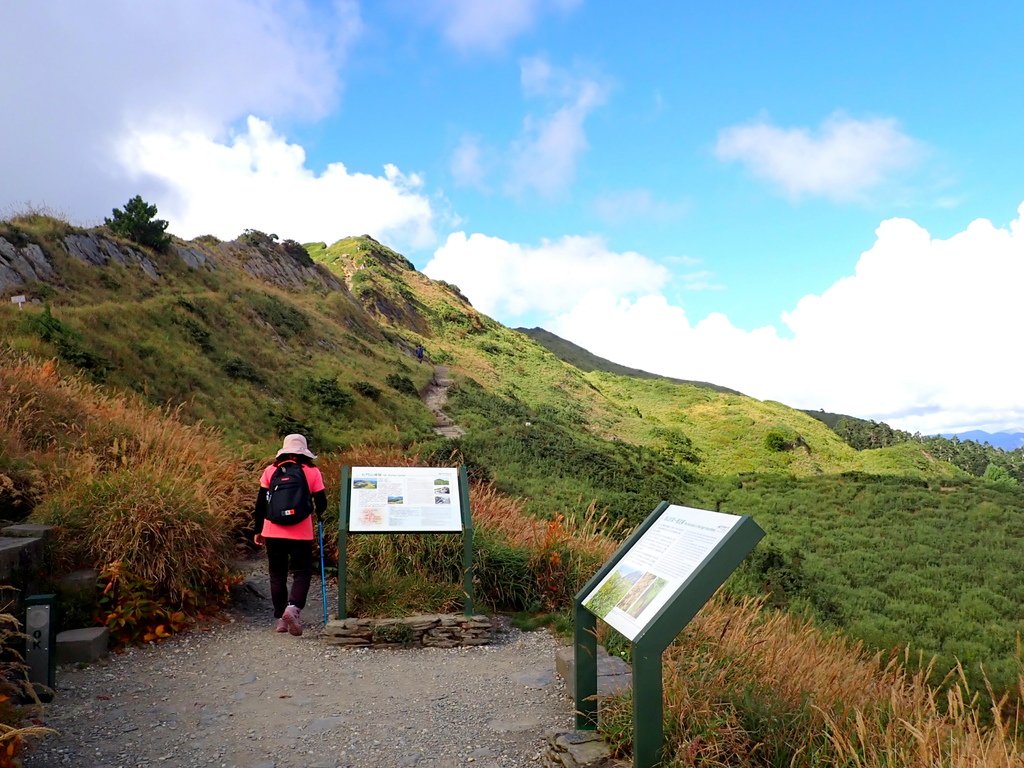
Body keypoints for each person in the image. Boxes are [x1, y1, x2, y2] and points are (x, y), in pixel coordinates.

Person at [253, 434, 328, 636]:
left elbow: (261, 504)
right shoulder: (312, 471)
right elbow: (322, 503)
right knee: (302, 572)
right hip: (301, 532)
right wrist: (319, 515)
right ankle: (292, 608)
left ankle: (280, 619)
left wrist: (258, 530)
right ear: (304, 452)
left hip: (273, 530)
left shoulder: (271, 470)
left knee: (277, 574)